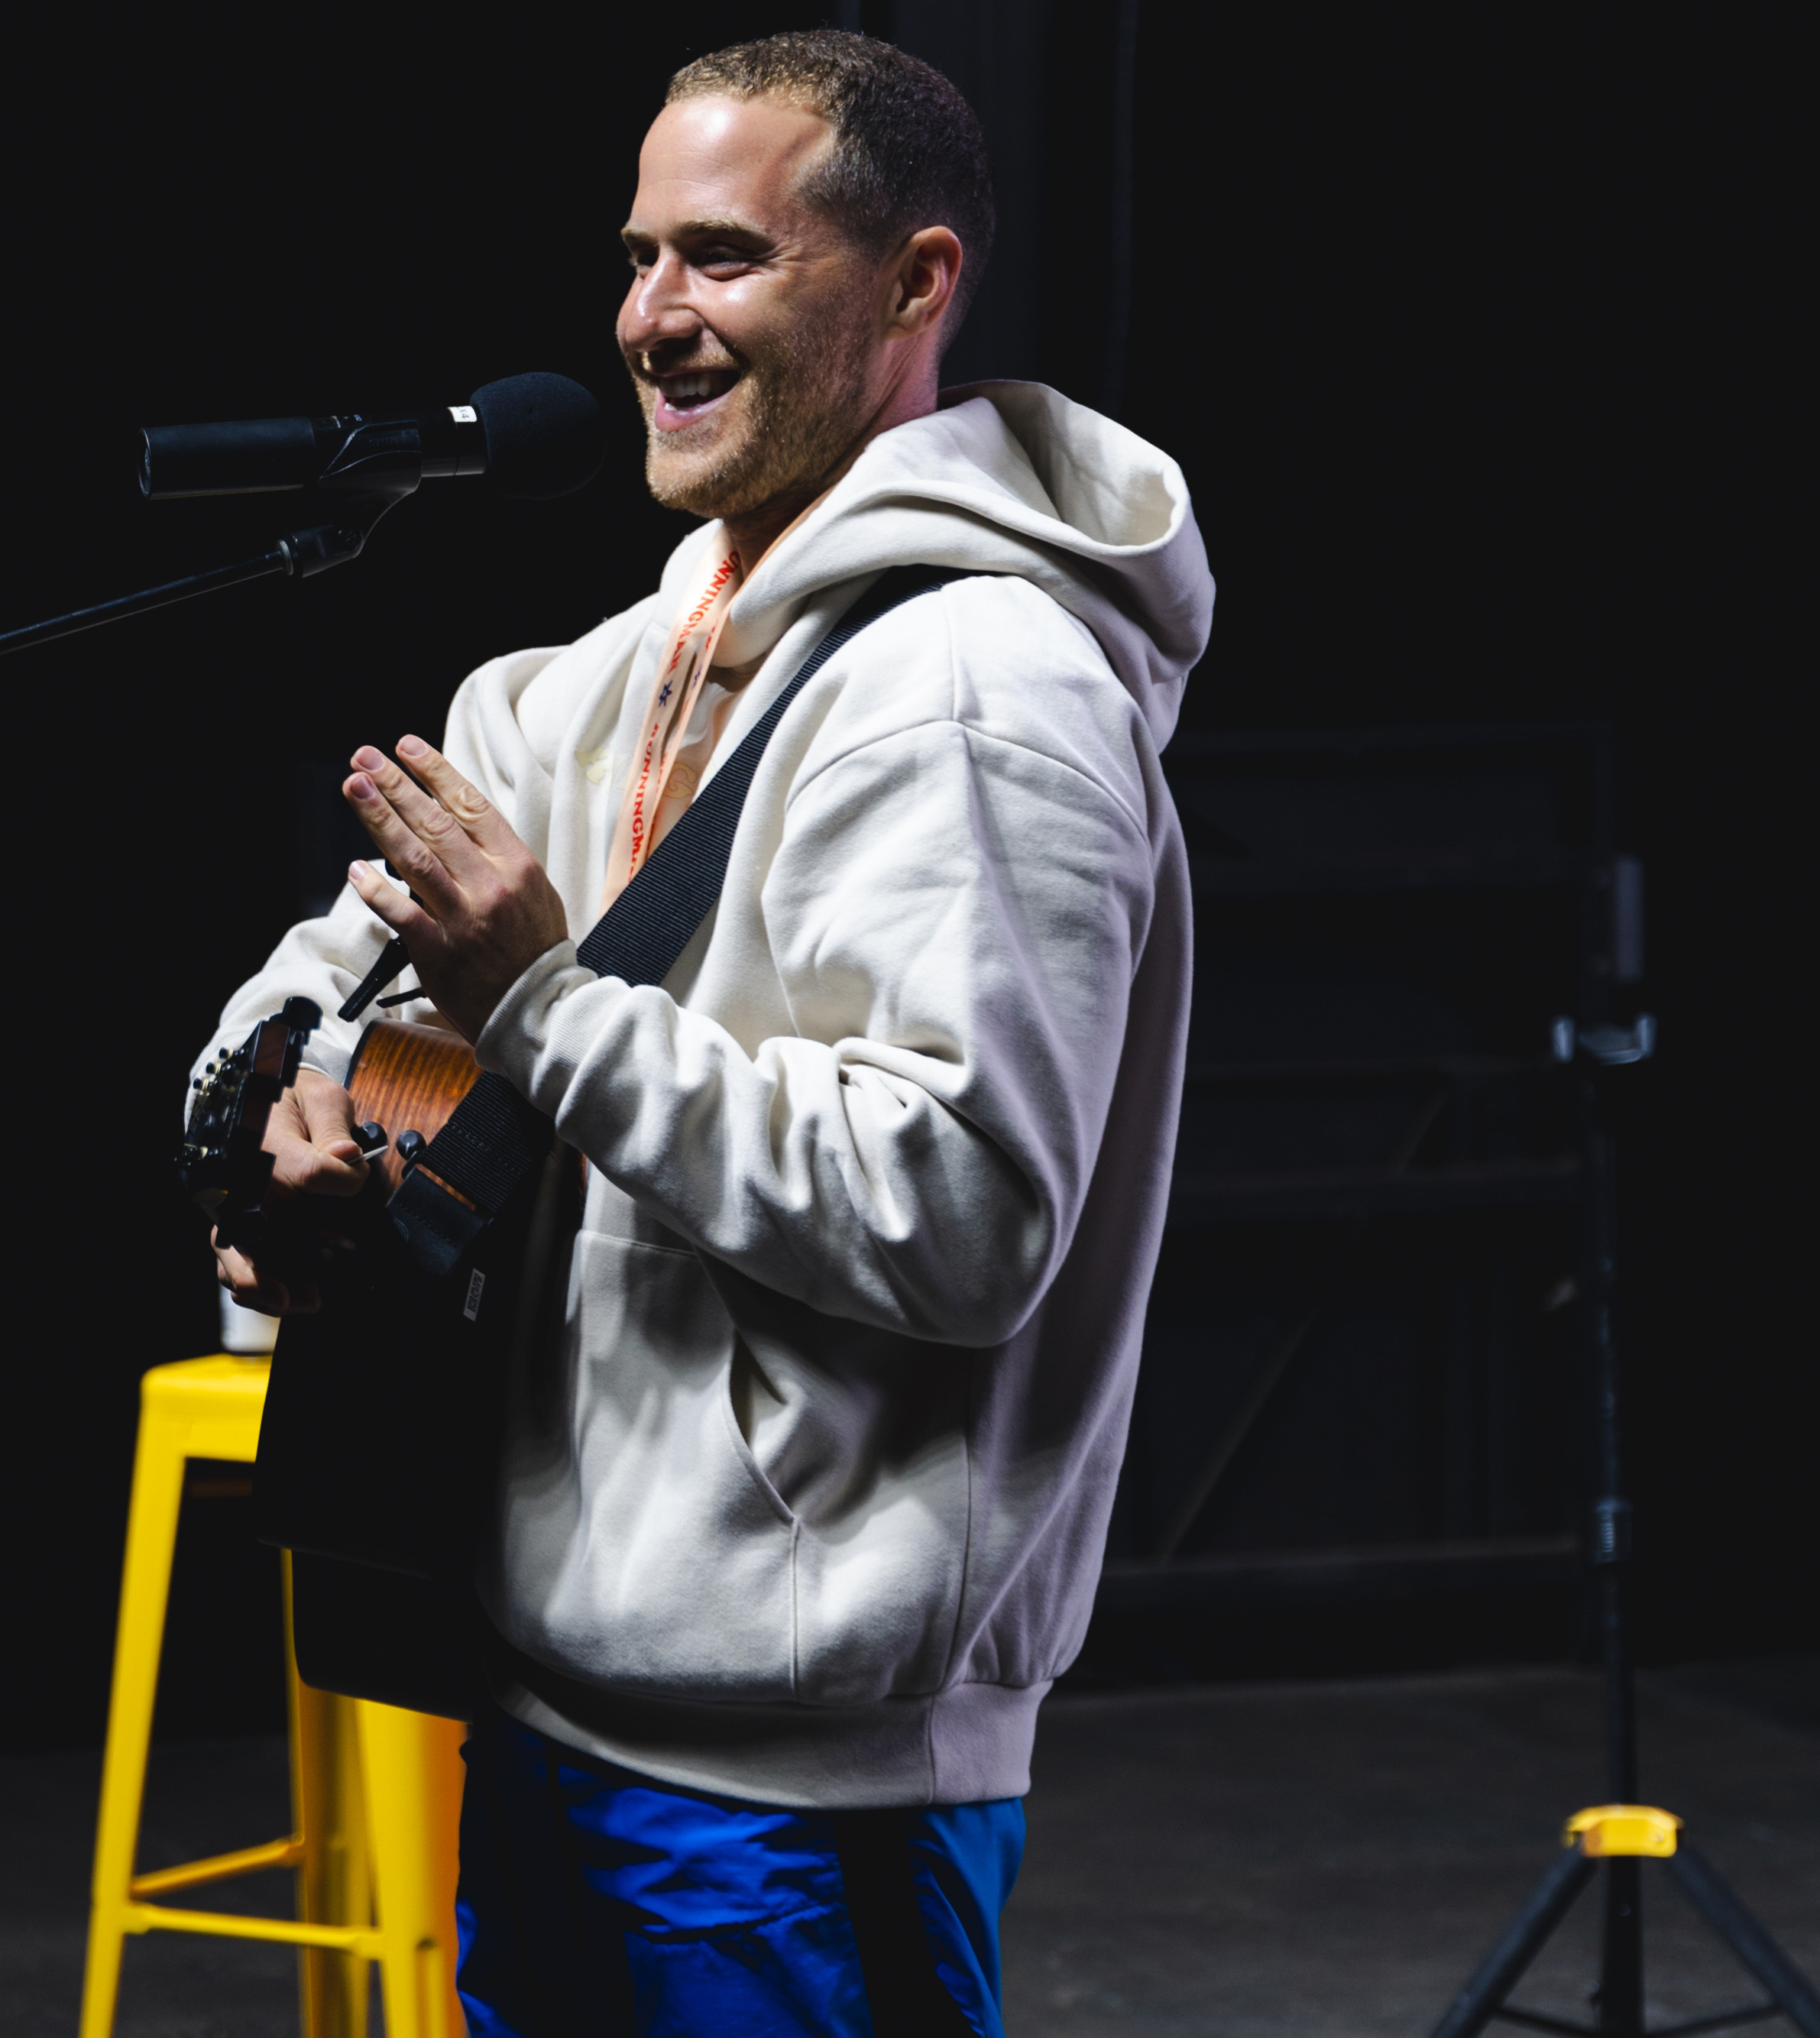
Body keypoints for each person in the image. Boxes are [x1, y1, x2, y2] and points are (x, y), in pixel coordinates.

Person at [196, 31, 1212, 2036]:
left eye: (724, 256)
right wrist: (294, 1129)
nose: (651, 315)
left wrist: (541, 1004)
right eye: (639, 256)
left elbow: (958, 1210)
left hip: (795, 1778)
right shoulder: (578, 689)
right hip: (543, 1685)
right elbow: (330, 991)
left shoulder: (981, 693)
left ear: (915, 281)